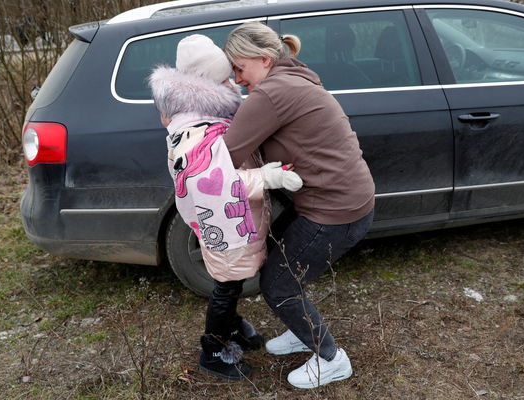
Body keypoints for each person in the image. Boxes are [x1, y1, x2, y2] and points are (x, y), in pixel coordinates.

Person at [222, 22, 376, 389]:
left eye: (240, 68)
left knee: (278, 284)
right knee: (277, 255)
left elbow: (226, 155)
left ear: (263, 58)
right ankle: (301, 329)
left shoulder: (272, 93)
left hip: (334, 210)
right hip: (345, 198)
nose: (238, 78)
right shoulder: (296, 76)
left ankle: (330, 359)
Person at [148, 34, 303, 381]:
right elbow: (209, 182)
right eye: (223, 79)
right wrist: (266, 179)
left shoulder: (202, 115)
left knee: (231, 280)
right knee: (227, 283)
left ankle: (231, 328)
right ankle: (214, 350)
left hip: (236, 221)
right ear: (205, 85)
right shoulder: (195, 129)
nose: (232, 83)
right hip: (225, 224)